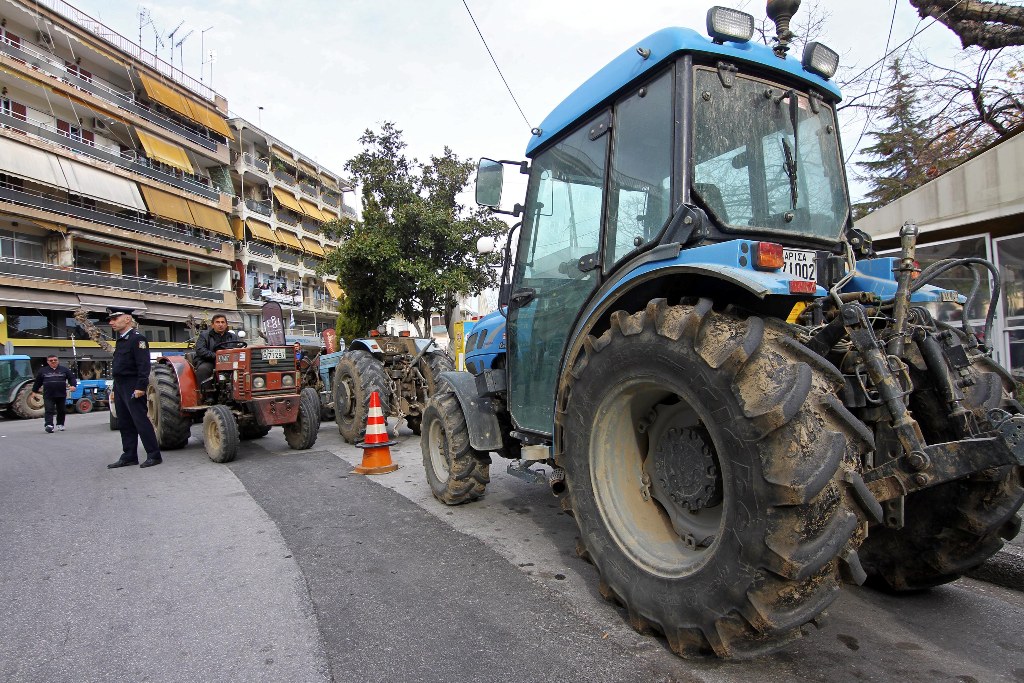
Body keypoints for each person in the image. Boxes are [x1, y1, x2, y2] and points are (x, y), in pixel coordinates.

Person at [106, 307, 163, 469]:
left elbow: (143, 366)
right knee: (124, 422)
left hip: (133, 385)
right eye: (111, 319)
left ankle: (154, 455)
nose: (111, 322)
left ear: (127, 319)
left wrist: (140, 387)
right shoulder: (121, 340)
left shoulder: (138, 339)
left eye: (115, 319)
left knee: (140, 421)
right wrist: (115, 390)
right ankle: (129, 455)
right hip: (120, 385)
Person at [31, 354, 77, 433]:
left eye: (55, 360)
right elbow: (38, 382)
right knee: (49, 410)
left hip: (61, 394)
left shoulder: (64, 370)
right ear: (48, 362)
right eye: (51, 360)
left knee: (61, 410)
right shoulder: (43, 371)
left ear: (58, 361)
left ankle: (60, 424)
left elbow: (71, 378)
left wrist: (73, 385)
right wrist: (34, 391)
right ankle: (49, 425)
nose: (53, 362)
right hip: (48, 395)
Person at [194, 313, 239, 389]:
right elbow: (200, 350)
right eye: (217, 322)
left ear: (226, 324)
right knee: (203, 369)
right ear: (212, 325)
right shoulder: (204, 335)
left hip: (229, 362)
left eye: (222, 322)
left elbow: (238, 349)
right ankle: (207, 395)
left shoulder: (233, 336)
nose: (220, 324)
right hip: (209, 361)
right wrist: (216, 356)